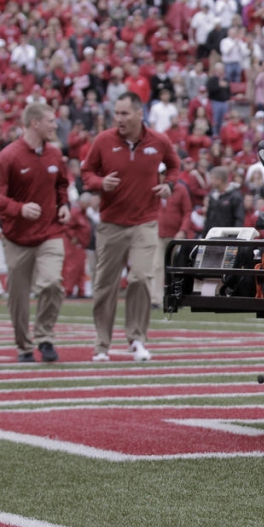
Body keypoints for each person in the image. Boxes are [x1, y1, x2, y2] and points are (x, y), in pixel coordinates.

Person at [81, 92, 180, 362]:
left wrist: (169, 185)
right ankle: (102, 343)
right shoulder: (103, 141)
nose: (119, 118)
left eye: (124, 113)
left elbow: (174, 166)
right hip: (111, 223)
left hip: (145, 222)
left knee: (140, 278)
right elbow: (87, 173)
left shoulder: (159, 140)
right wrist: (101, 183)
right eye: (117, 113)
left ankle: (137, 338)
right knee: (105, 285)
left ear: (139, 114)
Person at [0, 103, 70, 362]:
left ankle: (45, 337)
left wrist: (64, 204)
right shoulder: (9, 156)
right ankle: (23, 346)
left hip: (50, 232)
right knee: (18, 298)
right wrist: (19, 209)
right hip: (17, 238)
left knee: (52, 283)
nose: (55, 126)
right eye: (50, 121)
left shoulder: (55, 154)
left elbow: (62, 185)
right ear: (35, 123)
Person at [151, 161, 192, 306]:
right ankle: (156, 299)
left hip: (175, 235)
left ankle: (176, 297)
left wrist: (182, 230)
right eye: (159, 174)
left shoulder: (180, 190)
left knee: (176, 267)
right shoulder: (153, 190)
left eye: (163, 173)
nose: (161, 176)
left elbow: (187, 212)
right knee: (156, 266)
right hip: (158, 234)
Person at [203, 165, 245, 234]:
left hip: (228, 238)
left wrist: (235, 239)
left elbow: (239, 219)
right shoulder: (212, 196)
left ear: (219, 179)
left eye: (212, 178)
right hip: (212, 238)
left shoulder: (235, 196)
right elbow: (208, 218)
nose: (211, 181)